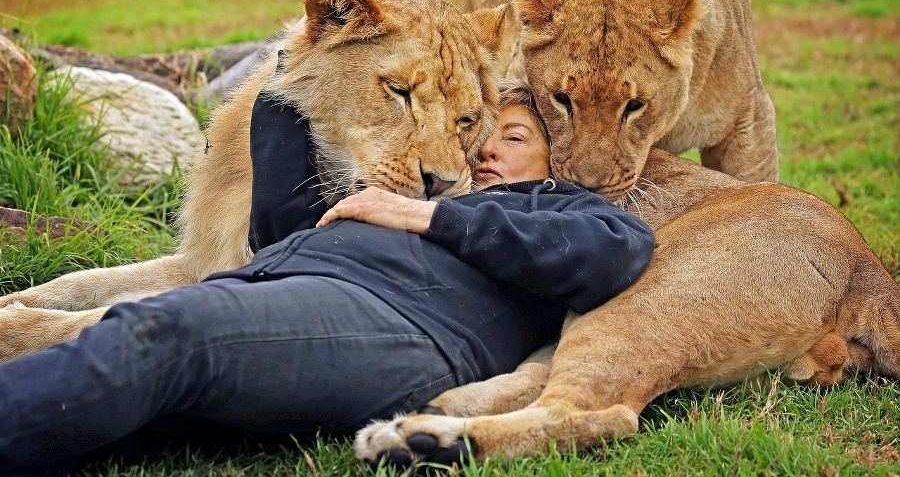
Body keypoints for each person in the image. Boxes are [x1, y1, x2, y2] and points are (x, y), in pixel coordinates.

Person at [0, 81, 655, 476]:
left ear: (557, 159)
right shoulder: (435, 194)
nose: (486, 148)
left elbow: (610, 254)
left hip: (399, 324)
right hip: (288, 288)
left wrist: (425, 216)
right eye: (482, 134)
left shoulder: (572, 209)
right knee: (129, 404)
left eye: (512, 136)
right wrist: (297, 75)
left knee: (159, 334)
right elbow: (283, 223)